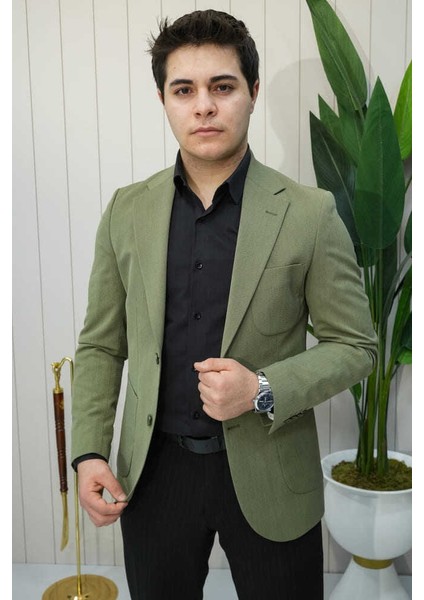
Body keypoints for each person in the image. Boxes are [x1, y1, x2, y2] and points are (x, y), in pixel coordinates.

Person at [71, 9, 377, 600]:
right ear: (164, 99)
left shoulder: (309, 213)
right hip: (154, 475)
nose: (204, 107)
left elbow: (356, 345)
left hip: (271, 473)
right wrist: (88, 452)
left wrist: (262, 387)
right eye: (184, 90)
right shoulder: (126, 211)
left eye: (222, 87)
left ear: (252, 92)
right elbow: (102, 345)